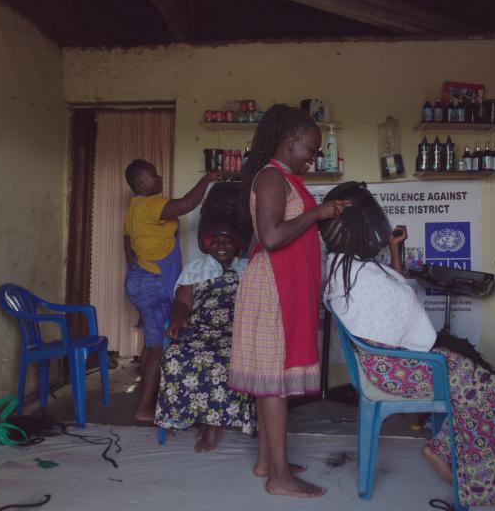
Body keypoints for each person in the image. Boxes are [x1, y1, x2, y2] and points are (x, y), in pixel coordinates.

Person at [320, 181, 495, 507]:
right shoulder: (360, 273)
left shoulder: (345, 267)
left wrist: (394, 248)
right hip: (398, 369)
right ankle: (471, 474)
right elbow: (401, 302)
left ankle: (450, 452)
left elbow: (395, 288)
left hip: (390, 362)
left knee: (487, 377)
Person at [229, 104, 350, 498]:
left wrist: (323, 214)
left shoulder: (285, 177)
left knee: (271, 382)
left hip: (284, 287)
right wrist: (315, 214)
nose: (313, 157)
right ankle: (279, 478)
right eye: (310, 149)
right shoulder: (269, 178)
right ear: (291, 139)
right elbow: (271, 237)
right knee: (274, 384)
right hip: (271, 288)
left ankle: (267, 461)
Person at [123, 159, 222, 423]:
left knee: (151, 342)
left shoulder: (133, 208)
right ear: (142, 182)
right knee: (157, 347)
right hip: (153, 281)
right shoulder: (151, 204)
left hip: (139, 278)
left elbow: (127, 242)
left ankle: (148, 396)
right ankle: (144, 408)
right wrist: (207, 180)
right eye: (154, 175)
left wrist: (137, 268)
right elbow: (188, 204)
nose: (160, 178)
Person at [154, 220, 256, 453]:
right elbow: (182, 301)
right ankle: (186, 417)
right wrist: (179, 318)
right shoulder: (196, 268)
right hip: (200, 329)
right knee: (175, 357)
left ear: (238, 245)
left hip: (237, 332)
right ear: (207, 245)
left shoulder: (248, 268)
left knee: (224, 360)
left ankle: (212, 425)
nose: (221, 245)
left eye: (227, 240)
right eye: (216, 240)